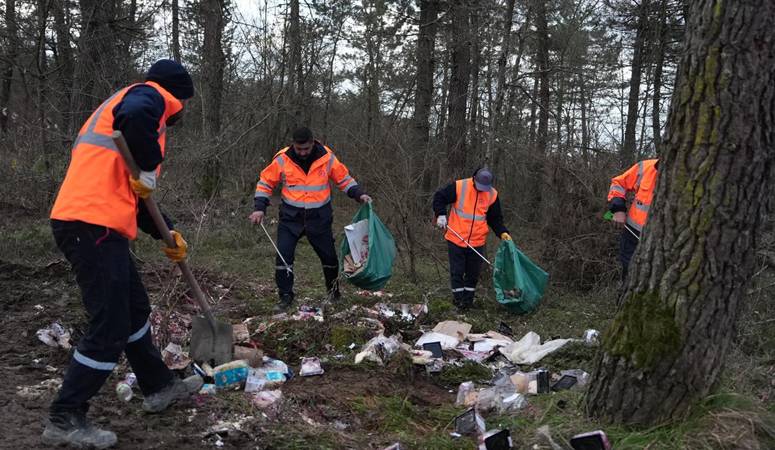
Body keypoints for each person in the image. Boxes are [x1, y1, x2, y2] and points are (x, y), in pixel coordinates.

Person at [44, 59, 204, 449]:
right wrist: (150, 164)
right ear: (178, 96)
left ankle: (158, 386)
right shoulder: (146, 98)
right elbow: (138, 135)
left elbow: (134, 196)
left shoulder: (121, 109)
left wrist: (167, 234)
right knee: (111, 322)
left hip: (96, 222)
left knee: (134, 310)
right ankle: (65, 416)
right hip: (89, 224)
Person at [249, 127, 371, 310]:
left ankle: (333, 294)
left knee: (329, 258)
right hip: (291, 218)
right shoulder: (282, 158)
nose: (303, 152)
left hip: (319, 219)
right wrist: (259, 208)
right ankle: (285, 297)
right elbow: (265, 182)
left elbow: (343, 179)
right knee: (283, 257)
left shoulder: (327, 157)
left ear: (313, 142)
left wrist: (359, 195)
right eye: (299, 149)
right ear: (293, 145)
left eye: (306, 148)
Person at [433, 168, 511, 309]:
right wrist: (440, 214)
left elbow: (495, 219)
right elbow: (439, 197)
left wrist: (502, 232)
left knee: (473, 275)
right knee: (457, 272)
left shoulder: (492, 195)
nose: (482, 190)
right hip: (456, 238)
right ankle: (458, 302)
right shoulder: (460, 186)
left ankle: (467, 303)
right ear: (474, 178)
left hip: (477, 241)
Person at [607, 158, 659, 281]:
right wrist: (618, 209)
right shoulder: (646, 167)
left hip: (664, 243)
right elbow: (618, 183)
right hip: (633, 236)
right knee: (628, 278)